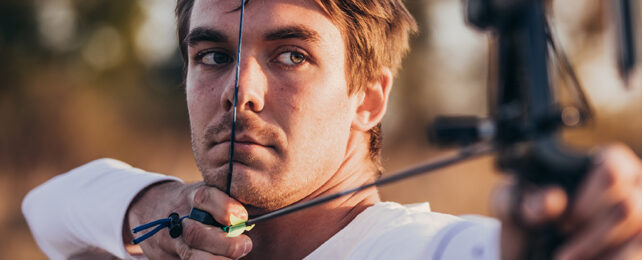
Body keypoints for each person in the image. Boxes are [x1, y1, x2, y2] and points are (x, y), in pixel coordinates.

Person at [22, 0, 642, 259]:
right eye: (211, 55)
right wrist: (146, 203)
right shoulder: (183, 240)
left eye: (291, 54)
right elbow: (44, 209)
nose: (241, 89)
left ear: (369, 100)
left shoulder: (426, 247)